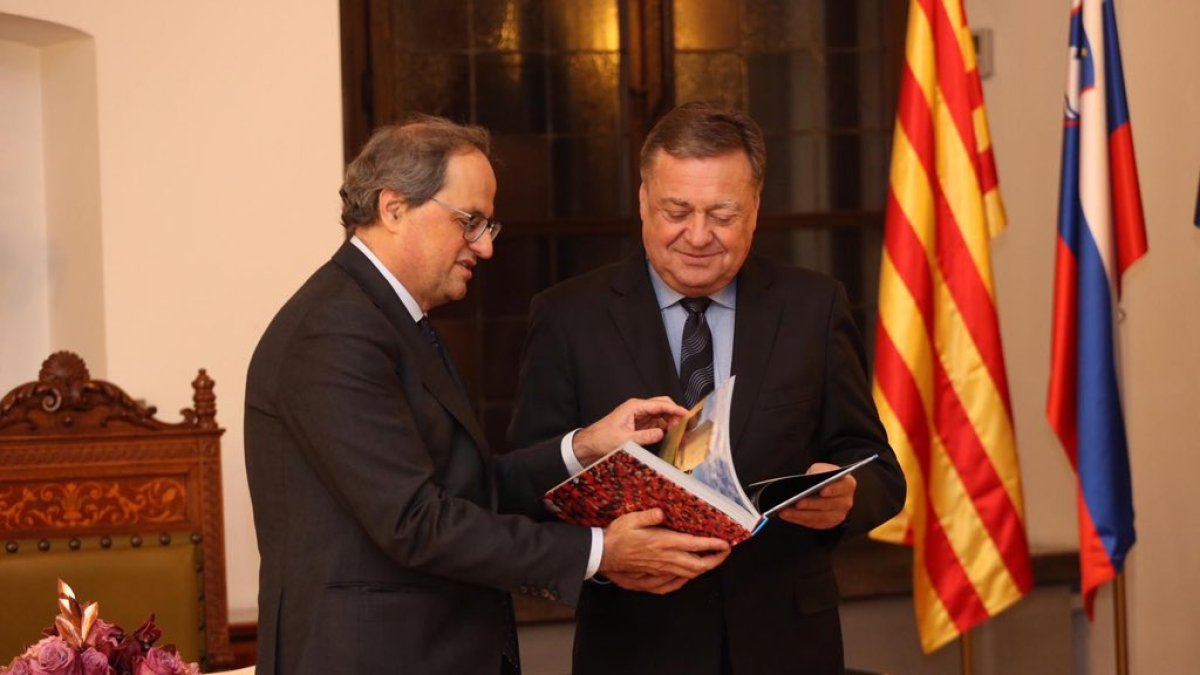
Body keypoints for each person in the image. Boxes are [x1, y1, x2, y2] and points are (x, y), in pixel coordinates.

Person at [243, 116, 731, 675]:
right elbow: (416, 522)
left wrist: (586, 446)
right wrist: (599, 552)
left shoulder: (392, 320)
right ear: (393, 207)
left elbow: (466, 490)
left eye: (488, 227)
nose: (485, 247)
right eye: (470, 222)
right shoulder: (335, 331)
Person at [508, 102, 907, 674]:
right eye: (676, 211)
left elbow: (877, 469)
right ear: (643, 201)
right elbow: (527, 484)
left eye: (722, 213)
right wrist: (603, 552)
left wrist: (847, 498)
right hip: (635, 647)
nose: (698, 236)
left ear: (755, 209)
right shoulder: (570, 317)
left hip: (788, 646)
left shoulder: (812, 307)